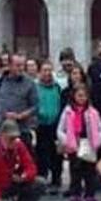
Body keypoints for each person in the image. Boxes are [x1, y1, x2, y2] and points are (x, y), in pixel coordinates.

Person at [57, 85, 101, 201]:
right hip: (74, 147)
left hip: (89, 146)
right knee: (75, 176)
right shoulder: (67, 112)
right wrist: (68, 141)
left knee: (90, 177)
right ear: (73, 96)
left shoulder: (93, 112)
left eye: (83, 96)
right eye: (79, 96)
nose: (81, 98)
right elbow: (60, 129)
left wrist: (97, 142)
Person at [0, 55, 38, 139]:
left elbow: (35, 106)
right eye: (18, 65)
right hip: (1, 129)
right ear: (10, 66)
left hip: (21, 130)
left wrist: (20, 116)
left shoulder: (30, 83)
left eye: (23, 65)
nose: (21, 68)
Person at [35, 61, 63, 192]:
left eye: (49, 70)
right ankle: (42, 179)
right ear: (39, 72)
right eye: (44, 70)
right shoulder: (35, 87)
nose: (47, 73)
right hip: (40, 125)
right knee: (41, 153)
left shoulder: (57, 87)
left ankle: (56, 180)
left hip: (55, 125)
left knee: (56, 154)